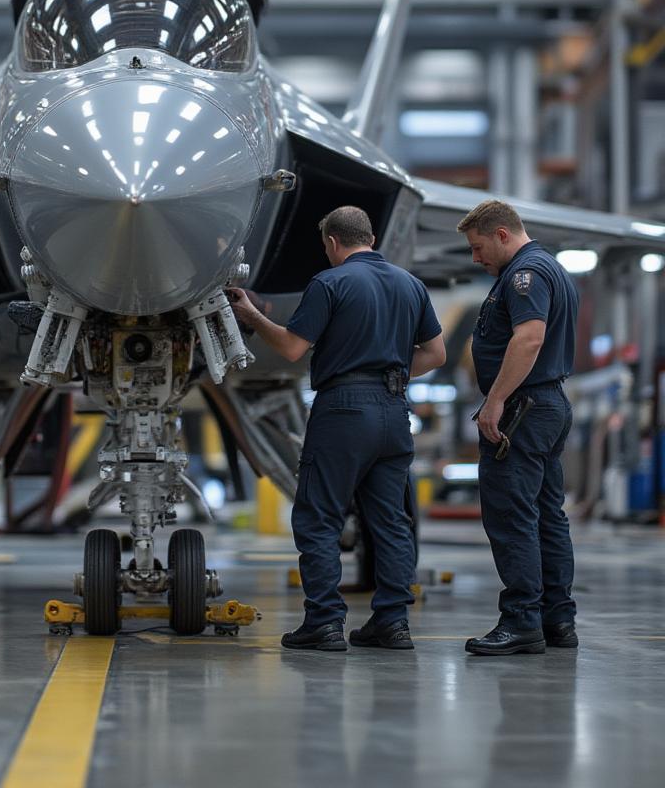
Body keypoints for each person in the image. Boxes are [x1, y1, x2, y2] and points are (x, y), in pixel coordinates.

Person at [229, 206, 445, 652]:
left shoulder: (330, 282)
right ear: (369, 235)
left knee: (319, 518)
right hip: (393, 409)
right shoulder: (410, 284)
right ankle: (392, 623)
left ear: (332, 243)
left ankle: (324, 622)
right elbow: (436, 354)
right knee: (390, 522)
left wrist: (252, 316)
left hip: (344, 410)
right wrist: (397, 375)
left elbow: (291, 347)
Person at [457, 199, 579, 656]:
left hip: (523, 411)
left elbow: (529, 337)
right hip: (546, 405)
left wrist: (495, 401)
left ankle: (522, 620)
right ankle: (557, 620)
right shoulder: (551, 269)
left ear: (502, 234)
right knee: (548, 515)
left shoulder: (525, 275)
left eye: (478, 247)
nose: (475, 258)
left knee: (512, 516)